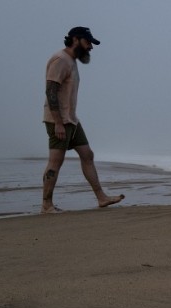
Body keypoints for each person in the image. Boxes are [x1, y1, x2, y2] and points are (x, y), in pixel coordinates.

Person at [41, 26, 124, 214]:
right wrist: (59, 123)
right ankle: (46, 205)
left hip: (72, 120)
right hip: (58, 120)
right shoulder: (60, 60)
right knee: (56, 161)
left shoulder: (71, 61)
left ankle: (101, 198)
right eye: (88, 43)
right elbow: (50, 91)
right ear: (76, 39)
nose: (91, 48)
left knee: (87, 155)